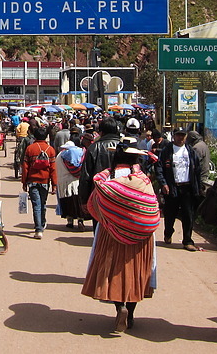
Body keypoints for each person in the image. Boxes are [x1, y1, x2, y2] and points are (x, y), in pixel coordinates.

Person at [81, 138, 159, 333]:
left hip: (110, 233)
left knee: (114, 270)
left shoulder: (106, 178)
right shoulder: (143, 179)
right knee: (135, 271)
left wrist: (111, 218)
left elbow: (95, 204)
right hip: (141, 236)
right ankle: (130, 314)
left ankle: (120, 307)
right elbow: (150, 204)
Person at [156, 127, 202, 251]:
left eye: (183, 135)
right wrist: (163, 184)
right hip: (172, 188)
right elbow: (159, 168)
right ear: (174, 136)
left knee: (188, 215)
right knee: (170, 214)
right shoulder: (166, 151)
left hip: (187, 187)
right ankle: (168, 233)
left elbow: (197, 169)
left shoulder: (191, 152)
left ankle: (187, 240)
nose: (180, 138)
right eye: (178, 135)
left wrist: (197, 187)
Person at [80, 117, 121, 216]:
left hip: (99, 195)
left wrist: (84, 200)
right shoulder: (124, 147)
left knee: (99, 226)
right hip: (120, 195)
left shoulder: (93, 148)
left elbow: (85, 176)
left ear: (101, 132)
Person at [22, 126, 57, 239]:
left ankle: (38, 229)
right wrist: (54, 184)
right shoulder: (50, 149)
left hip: (32, 181)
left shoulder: (30, 149)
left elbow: (25, 167)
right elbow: (53, 169)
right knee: (43, 203)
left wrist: (24, 181)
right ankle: (41, 223)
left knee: (36, 205)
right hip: (45, 181)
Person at [56, 140, 86, 230]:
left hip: (63, 184)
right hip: (76, 183)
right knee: (77, 203)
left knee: (67, 203)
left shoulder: (59, 156)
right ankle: (80, 220)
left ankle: (70, 221)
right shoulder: (76, 156)